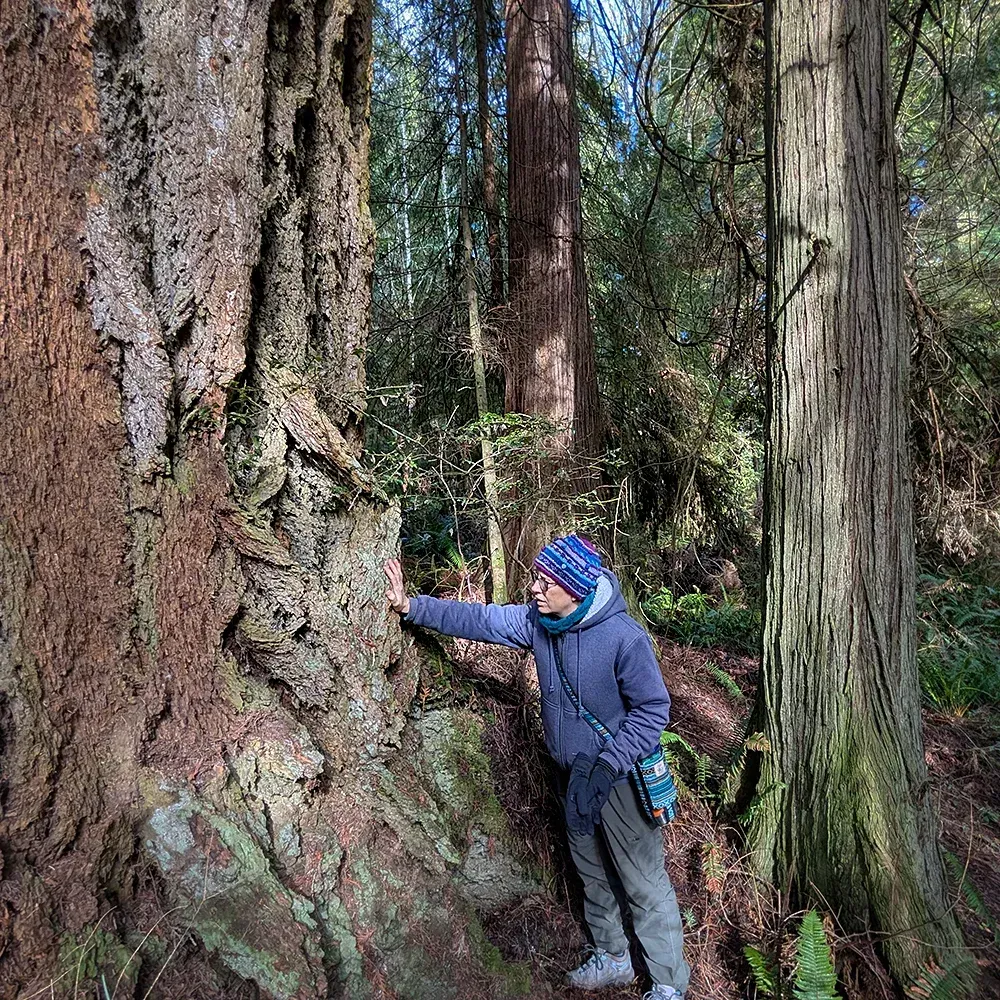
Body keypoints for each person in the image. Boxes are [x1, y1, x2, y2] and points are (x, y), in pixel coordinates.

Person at [384, 534, 690, 1000]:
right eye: (536, 578)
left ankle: (669, 985)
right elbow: (480, 619)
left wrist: (607, 767)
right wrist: (411, 606)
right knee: (591, 870)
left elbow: (652, 710)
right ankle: (613, 957)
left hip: (619, 779)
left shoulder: (623, 638)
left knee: (644, 882)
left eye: (547, 581)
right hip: (572, 776)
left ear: (576, 588)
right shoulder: (539, 623)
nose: (535, 588)